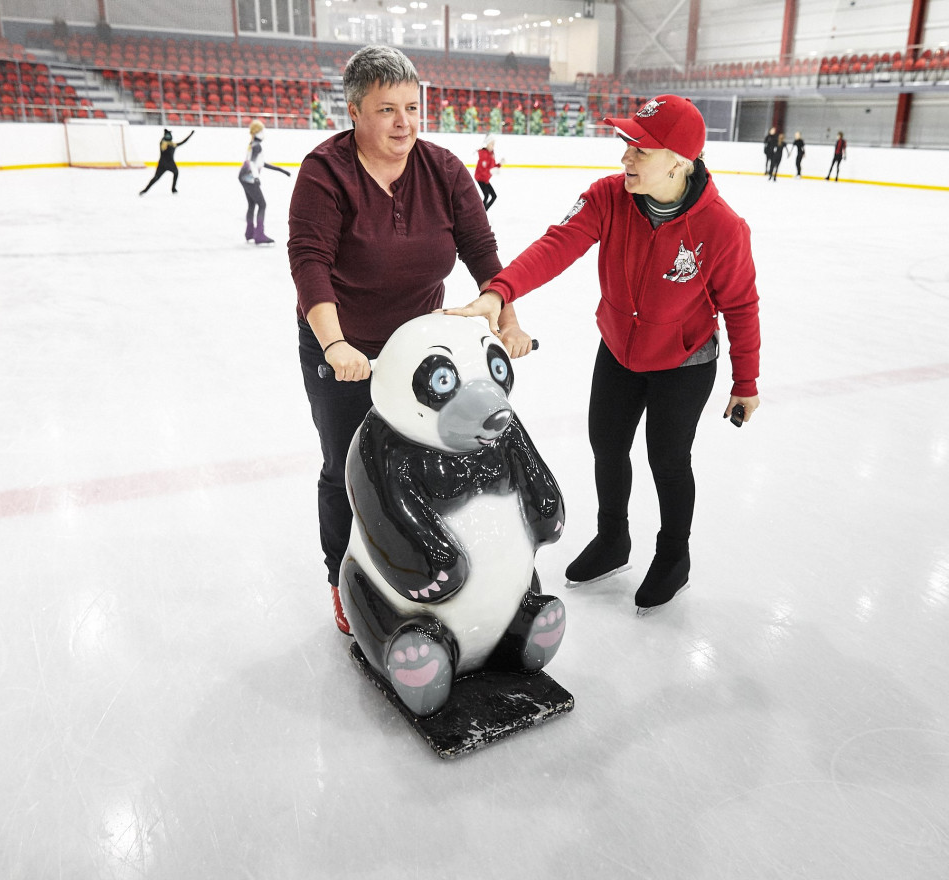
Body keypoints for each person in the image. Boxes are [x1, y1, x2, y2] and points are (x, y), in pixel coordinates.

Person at [446, 94, 761, 616]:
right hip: (619, 348)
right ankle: (614, 538)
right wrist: (499, 292)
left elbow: (742, 307)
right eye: (626, 145)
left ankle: (673, 556)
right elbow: (557, 244)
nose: (625, 159)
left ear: (679, 161)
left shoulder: (723, 229)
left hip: (683, 362)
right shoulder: (608, 198)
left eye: (640, 149)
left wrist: (745, 384)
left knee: (667, 458)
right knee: (607, 446)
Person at [286, 45, 532, 635]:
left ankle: (420, 571)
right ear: (354, 112)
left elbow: (483, 253)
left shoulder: (443, 169)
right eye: (387, 109)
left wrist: (509, 319)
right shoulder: (326, 172)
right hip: (345, 348)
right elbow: (309, 262)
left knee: (425, 463)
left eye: (413, 108)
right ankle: (341, 577)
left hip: (420, 351)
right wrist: (334, 344)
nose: (404, 123)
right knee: (346, 464)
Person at [239, 120, 292, 244]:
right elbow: (252, 163)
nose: (263, 133)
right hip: (249, 178)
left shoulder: (253, 143)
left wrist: (280, 170)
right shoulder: (257, 145)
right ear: (257, 132)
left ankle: (249, 233)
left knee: (252, 204)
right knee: (262, 204)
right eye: (261, 130)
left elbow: (260, 163)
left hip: (243, 176)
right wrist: (256, 177)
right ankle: (259, 234)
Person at [138, 128, 192, 195]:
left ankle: (145, 190)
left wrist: (165, 133)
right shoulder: (170, 144)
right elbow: (183, 142)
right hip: (170, 164)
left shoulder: (164, 144)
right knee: (176, 173)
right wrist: (191, 134)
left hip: (162, 164)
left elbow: (182, 141)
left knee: (156, 177)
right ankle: (173, 189)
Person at [474, 135, 502, 210]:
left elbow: (492, 166)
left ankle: (483, 212)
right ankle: (481, 213)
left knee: (493, 196)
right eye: (491, 143)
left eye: (494, 144)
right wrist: (491, 171)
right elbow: (483, 169)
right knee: (487, 195)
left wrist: (500, 164)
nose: (493, 145)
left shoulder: (491, 154)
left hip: (485, 179)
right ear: (487, 143)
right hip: (481, 178)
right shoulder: (484, 154)